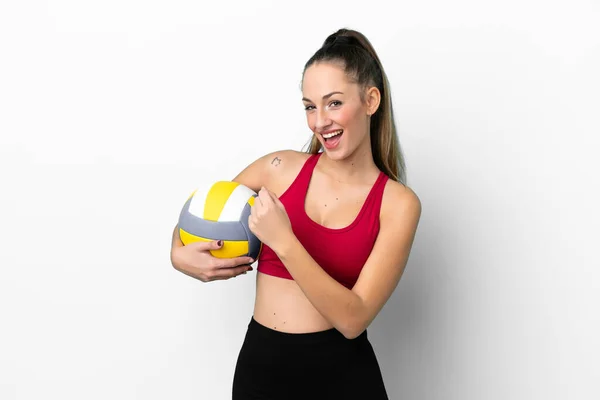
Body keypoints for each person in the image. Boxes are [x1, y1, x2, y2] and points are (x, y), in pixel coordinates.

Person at [170, 28, 421, 400]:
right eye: (309, 106)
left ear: (371, 100)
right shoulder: (278, 168)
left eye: (334, 103)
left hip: (344, 379)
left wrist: (283, 240)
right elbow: (201, 215)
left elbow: (354, 319)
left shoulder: (398, 204)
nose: (319, 121)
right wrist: (178, 253)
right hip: (261, 373)